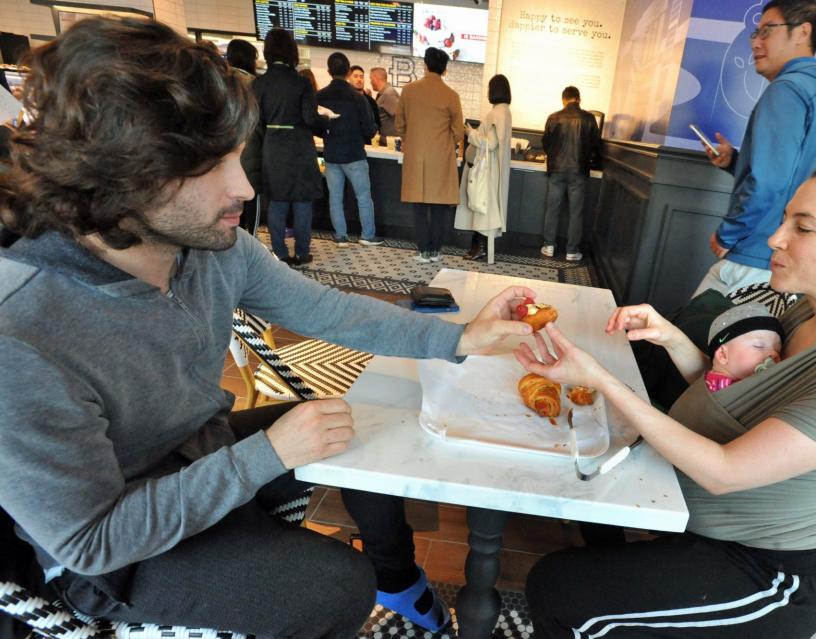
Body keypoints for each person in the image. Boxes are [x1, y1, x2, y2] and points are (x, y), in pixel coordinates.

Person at [0, 17, 537, 638]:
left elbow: (329, 310)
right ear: (122, 180)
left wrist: (461, 339)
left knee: (363, 426)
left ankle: (398, 577)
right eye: (210, 167)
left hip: (193, 451)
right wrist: (266, 456)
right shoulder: (22, 333)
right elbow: (91, 540)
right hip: (110, 558)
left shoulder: (210, 246)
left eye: (235, 156)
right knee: (336, 587)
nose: (244, 186)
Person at [515, 160, 816, 638]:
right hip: (699, 523)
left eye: (802, 227)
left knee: (558, 588)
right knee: (584, 503)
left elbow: (725, 471)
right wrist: (672, 337)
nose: (775, 238)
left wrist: (599, 378)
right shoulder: (806, 311)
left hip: (769, 575)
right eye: (786, 219)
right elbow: (739, 398)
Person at [693, 0, 816, 297]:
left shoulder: (786, 90)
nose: (756, 43)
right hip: (783, 254)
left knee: (691, 337)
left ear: (802, 32)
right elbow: (792, 172)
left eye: (767, 31)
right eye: (755, 34)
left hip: (755, 252)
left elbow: (769, 180)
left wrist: (728, 233)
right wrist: (733, 161)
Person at [253, 28, 325, 267]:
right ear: (291, 50)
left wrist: (272, 134)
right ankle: (302, 253)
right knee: (302, 202)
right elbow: (311, 118)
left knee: (278, 201)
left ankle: (281, 254)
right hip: (300, 146)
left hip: (272, 147)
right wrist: (327, 122)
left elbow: (256, 122)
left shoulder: (259, 83)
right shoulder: (301, 83)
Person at [396, 47, 464, 264]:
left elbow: (400, 124)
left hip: (416, 156)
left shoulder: (408, 90)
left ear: (425, 65)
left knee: (419, 205)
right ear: (445, 70)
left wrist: (411, 140)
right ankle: (435, 250)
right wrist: (446, 144)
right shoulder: (451, 96)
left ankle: (423, 250)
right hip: (442, 157)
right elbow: (459, 131)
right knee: (438, 206)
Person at [316, 53, 383, 247]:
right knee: (363, 197)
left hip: (331, 154)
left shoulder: (319, 96)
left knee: (335, 198)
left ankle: (340, 236)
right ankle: (367, 235)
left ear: (329, 71)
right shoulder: (357, 98)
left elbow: (314, 123)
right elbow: (369, 129)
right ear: (348, 72)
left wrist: (326, 134)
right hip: (354, 154)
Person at [454, 74, 512, 263]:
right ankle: (481, 247)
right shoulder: (504, 111)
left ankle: (478, 248)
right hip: (491, 170)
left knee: (481, 207)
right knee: (485, 207)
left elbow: (491, 143)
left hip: (486, 171)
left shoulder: (496, 113)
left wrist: (471, 133)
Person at [540, 85, 600, 263]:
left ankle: (549, 246)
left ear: (563, 100)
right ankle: (572, 251)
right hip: (578, 171)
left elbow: (546, 143)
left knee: (552, 209)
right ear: (579, 99)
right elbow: (595, 145)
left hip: (557, 170)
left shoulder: (553, 117)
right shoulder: (589, 118)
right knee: (576, 212)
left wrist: (554, 156)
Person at [702, 303, 783, 393]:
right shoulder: (719, 389)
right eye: (759, 346)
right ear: (723, 355)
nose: (774, 354)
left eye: (778, 350)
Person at [225, 39, 261, 235]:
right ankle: (251, 240)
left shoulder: (220, 80)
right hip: (250, 149)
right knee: (251, 197)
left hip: (224, 150)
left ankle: (232, 237)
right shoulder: (255, 84)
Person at [348, 64, 381, 143]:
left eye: (361, 77)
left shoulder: (371, 101)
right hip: (348, 143)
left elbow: (377, 123)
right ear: (349, 78)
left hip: (367, 144)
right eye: (355, 76)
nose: (359, 79)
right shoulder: (345, 100)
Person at [370, 66, 400, 139]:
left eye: (371, 79)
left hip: (390, 144)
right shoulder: (384, 94)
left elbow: (400, 116)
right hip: (386, 141)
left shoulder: (389, 94)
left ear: (375, 78)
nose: (370, 82)